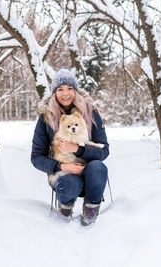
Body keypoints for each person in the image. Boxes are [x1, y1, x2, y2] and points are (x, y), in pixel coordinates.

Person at [31, 67, 109, 226]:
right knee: (70, 183)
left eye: (69, 88)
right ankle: (65, 206)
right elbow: (36, 157)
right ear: (54, 92)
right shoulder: (46, 117)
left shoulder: (90, 112)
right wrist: (61, 166)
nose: (65, 93)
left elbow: (104, 150)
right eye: (60, 89)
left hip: (88, 169)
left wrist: (78, 149)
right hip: (62, 172)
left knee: (98, 168)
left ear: (75, 90)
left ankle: (91, 208)